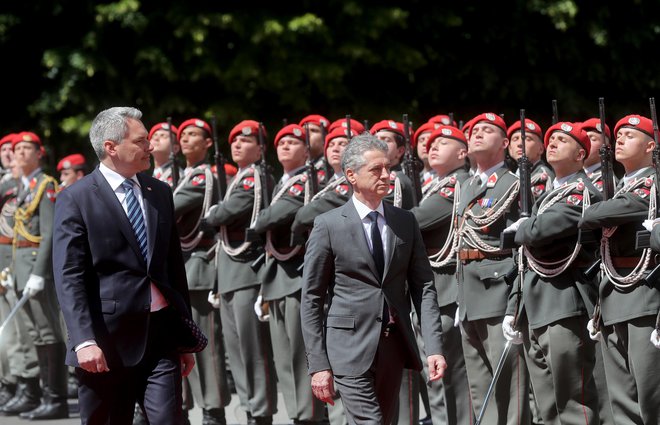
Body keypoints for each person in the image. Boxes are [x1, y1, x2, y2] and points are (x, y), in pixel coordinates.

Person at [52, 106, 197, 425]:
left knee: (168, 420)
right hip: (104, 341)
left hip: (160, 335)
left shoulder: (159, 192)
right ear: (111, 147)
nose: (152, 146)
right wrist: (83, 340)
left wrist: (184, 337)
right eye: (142, 140)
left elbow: (173, 268)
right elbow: (69, 276)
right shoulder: (76, 198)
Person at [300, 133, 446, 425]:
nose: (386, 175)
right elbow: (312, 298)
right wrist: (318, 365)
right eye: (376, 170)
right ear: (351, 175)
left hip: (393, 345)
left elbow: (424, 287)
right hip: (348, 347)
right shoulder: (328, 225)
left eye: (388, 168)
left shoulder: (404, 221)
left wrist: (433, 347)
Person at [504, 121, 601, 424]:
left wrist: (522, 228)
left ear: (581, 154)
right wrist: (513, 307)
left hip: (563, 303)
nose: (554, 143)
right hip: (535, 305)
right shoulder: (548, 194)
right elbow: (525, 259)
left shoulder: (582, 192)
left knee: (573, 404)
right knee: (546, 407)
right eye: (552, 139)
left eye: (563, 139)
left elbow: (538, 232)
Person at [579, 114, 660, 425]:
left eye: (630, 134)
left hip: (644, 297)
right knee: (621, 399)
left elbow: (606, 212)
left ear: (651, 145)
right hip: (613, 295)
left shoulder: (652, 183)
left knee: (650, 395)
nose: (620, 139)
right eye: (619, 134)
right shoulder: (620, 186)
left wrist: (594, 212)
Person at [455, 113, 530, 425]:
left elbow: (522, 250)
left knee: (510, 386)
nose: (478, 134)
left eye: (488, 130)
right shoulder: (466, 184)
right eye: (474, 130)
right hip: (469, 292)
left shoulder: (513, 185)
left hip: (499, 290)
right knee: (480, 386)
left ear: (505, 144)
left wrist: (515, 303)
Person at [204, 120, 278, 425]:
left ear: (260, 149)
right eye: (235, 141)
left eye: (246, 141)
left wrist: (213, 212)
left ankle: (260, 412)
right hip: (230, 273)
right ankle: (250, 408)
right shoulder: (241, 178)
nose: (237, 145)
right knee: (236, 352)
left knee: (254, 350)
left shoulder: (256, 178)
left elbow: (224, 213)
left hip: (248, 273)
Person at [252, 124, 326, 425]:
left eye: (293, 142)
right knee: (283, 357)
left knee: (299, 355)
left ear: (307, 151)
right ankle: (297, 415)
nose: (284, 146)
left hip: (295, 275)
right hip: (277, 276)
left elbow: (272, 216)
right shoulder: (283, 181)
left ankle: (310, 416)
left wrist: (258, 221)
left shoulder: (303, 182)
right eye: (281, 141)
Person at [0, 131, 68, 420]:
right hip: (21, 270)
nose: (21, 153)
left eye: (28, 148)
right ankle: (44, 394)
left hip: (36, 270)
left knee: (49, 333)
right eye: (18, 149)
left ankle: (57, 398)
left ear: (40, 153)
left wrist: (40, 272)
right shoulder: (23, 186)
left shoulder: (46, 185)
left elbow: (50, 233)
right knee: (36, 336)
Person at [410, 126, 471, 425]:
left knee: (451, 373)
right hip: (431, 287)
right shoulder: (438, 183)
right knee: (434, 372)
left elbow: (416, 219)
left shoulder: (456, 186)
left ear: (462, 153)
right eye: (431, 143)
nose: (433, 147)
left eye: (443, 142)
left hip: (447, 287)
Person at [173, 118, 231, 425]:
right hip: (181, 269)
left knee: (205, 344)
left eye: (193, 135)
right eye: (183, 135)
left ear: (208, 143)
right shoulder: (183, 175)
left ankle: (213, 408)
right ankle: (183, 404)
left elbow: (169, 206)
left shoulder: (203, 177)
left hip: (199, 267)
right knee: (179, 343)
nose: (185, 139)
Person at [0, 133, 40, 413]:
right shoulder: (10, 184)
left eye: (12, 150)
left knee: (27, 332)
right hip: (9, 259)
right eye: (5, 150)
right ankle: (13, 382)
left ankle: (29, 385)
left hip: (20, 261)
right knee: (10, 334)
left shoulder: (28, 185)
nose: (9, 155)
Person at [370, 120, 415, 209]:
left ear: (400, 151)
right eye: (375, 139)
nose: (378, 144)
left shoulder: (396, 181)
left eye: (386, 140)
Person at [506, 118, 554, 200]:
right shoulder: (509, 175)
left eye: (527, 139)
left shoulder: (543, 176)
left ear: (541, 149)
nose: (520, 144)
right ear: (510, 149)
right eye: (515, 139)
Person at [299, 115, 332, 186]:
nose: (307, 134)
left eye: (313, 131)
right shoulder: (296, 165)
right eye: (304, 131)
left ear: (326, 137)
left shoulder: (330, 166)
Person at [150, 121, 182, 188]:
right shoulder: (144, 174)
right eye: (154, 136)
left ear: (175, 148)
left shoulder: (179, 175)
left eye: (163, 136)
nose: (156, 139)